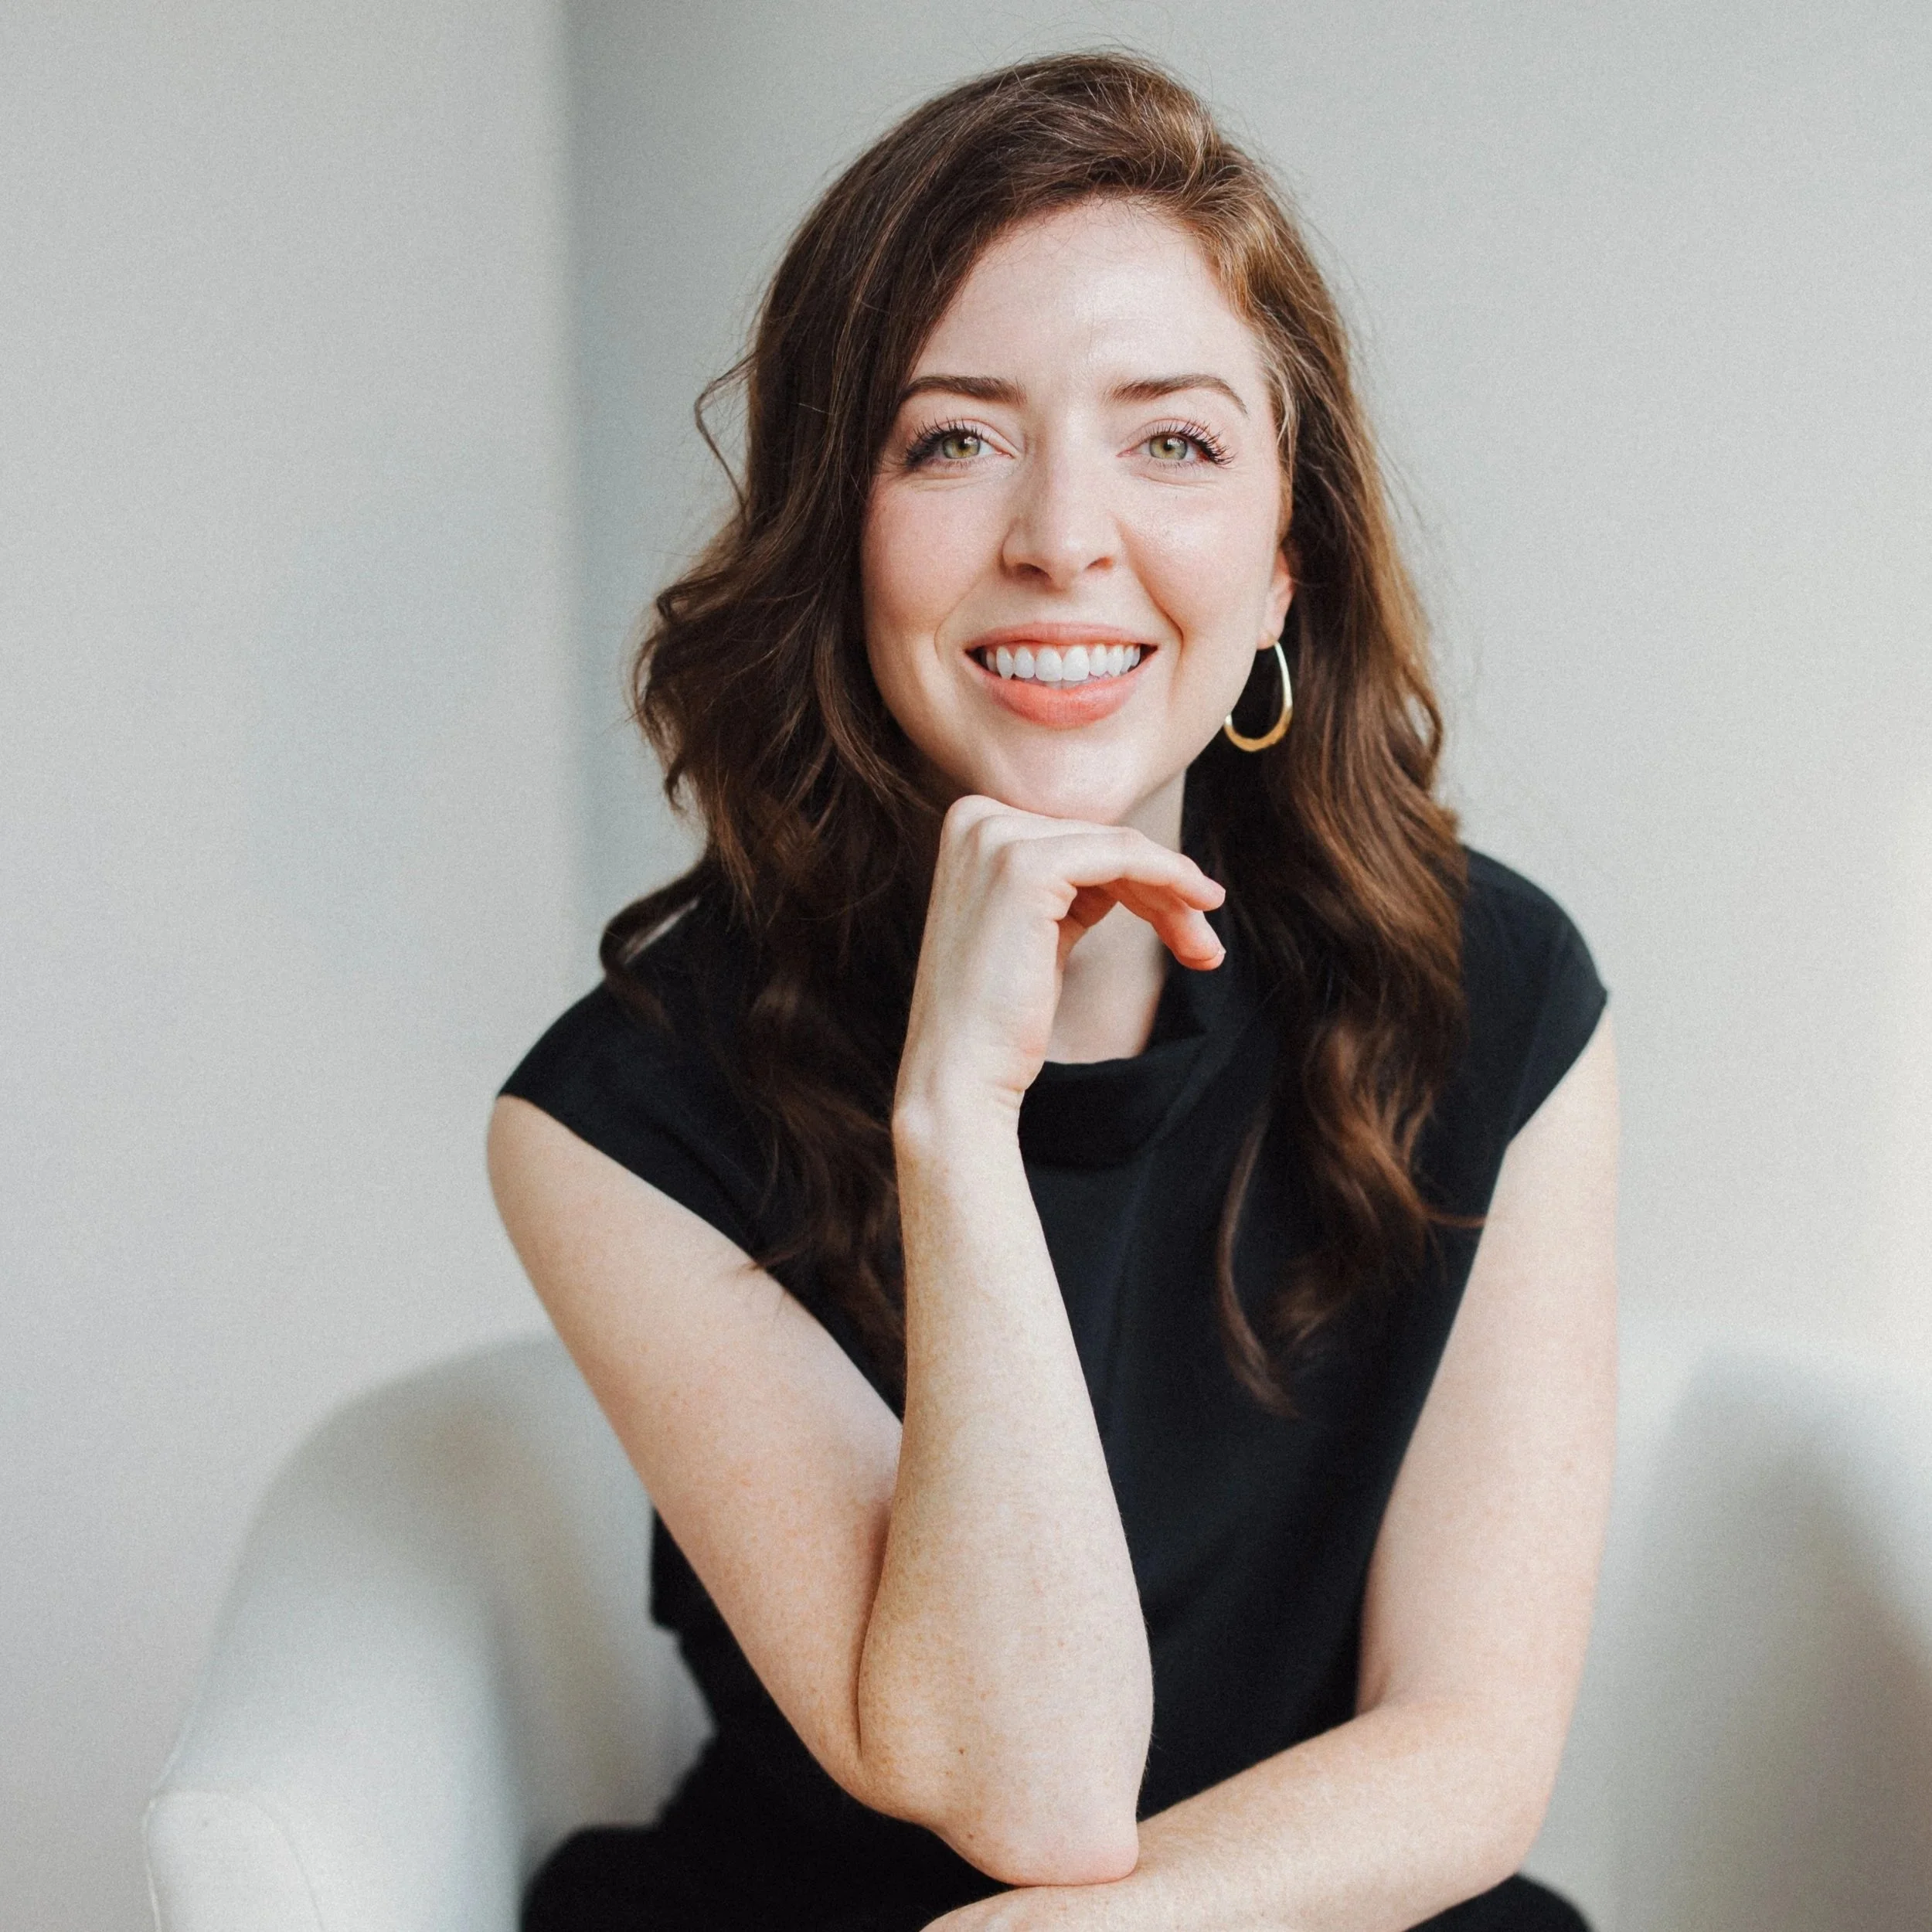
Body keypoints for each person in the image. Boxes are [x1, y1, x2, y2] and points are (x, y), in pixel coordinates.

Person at [488, 49, 1617, 1932]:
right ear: (836, 541)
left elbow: (1468, 1752)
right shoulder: (617, 1115)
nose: (1059, 536)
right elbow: (1034, 1779)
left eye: (1170, 440)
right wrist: (956, 1118)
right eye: (951, 439)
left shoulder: (1485, 992)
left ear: (1281, 565)